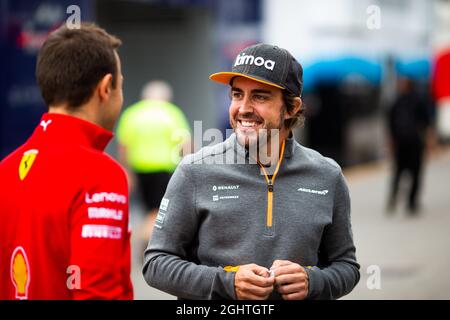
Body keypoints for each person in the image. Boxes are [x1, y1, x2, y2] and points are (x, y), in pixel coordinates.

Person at [143, 43, 360, 300]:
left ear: (291, 107)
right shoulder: (195, 171)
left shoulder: (327, 175)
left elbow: (347, 266)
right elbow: (156, 263)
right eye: (237, 94)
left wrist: (313, 282)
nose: (243, 108)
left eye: (260, 96)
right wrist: (228, 283)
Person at [0, 23, 133, 299]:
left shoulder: (5, 170)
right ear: (105, 88)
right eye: (121, 84)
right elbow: (97, 293)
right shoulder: (100, 174)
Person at [116, 80, 190, 247]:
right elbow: (185, 144)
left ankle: (147, 239)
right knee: (157, 210)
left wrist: (127, 171)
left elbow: (123, 146)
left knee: (148, 209)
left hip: (140, 169)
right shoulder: (171, 113)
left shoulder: (131, 114)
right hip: (164, 169)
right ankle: (148, 241)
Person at [387, 77, 434, 215]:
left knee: (415, 173)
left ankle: (411, 202)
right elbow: (390, 122)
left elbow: (425, 121)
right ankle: (394, 198)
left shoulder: (416, 100)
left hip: (414, 142)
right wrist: (391, 141)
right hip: (403, 143)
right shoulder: (397, 102)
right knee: (399, 173)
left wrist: (428, 139)